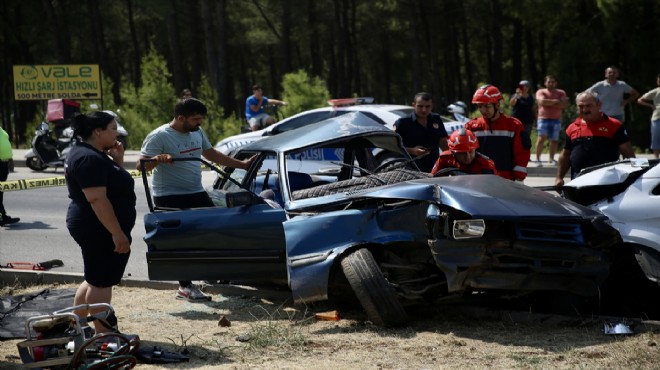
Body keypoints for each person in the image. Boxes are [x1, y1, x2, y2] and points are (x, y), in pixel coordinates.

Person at [137, 98, 254, 302]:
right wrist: (156, 160)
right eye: (195, 119)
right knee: (182, 241)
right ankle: (185, 287)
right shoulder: (159, 136)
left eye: (201, 118)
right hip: (169, 196)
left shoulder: (196, 131)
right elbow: (141, 167)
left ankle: (218, 276)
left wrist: (242, 165)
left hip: (195, 191)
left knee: (215, 229)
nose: (199, 123)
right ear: (181, 118)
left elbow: (210, 154)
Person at [65, 111, 135, 334]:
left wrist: (118, 161)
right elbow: (97, 199)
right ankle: (103, 334)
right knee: (101, 282)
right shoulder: (88, 158)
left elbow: (114, 185)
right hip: (97, 226)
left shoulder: (95, 154)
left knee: (94, 277)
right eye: (113, 128)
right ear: (98, 132)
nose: (118, 132)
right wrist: (116, 232)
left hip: (97, 225)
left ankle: (75, 326)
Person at [555, 91, 636, 186]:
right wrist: (559, 177)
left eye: (589, 106)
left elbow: (628, 153)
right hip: (578, 179)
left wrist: (633, 177)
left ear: (599, 105)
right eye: (581, 106)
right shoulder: (572, 127)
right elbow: (565, 155)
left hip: (607, 180)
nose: (585, 109)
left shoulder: (614, 125)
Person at [465, 84, 531, 182]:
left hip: (506, 181)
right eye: (480, 106)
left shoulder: (514, 126)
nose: (483, 110)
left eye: (487, 106)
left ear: (497, 105)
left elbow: (522, 154)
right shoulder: (471, 127)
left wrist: (518, 179)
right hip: (479, 181)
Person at [394, 92, 449, 172]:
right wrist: (412, 151)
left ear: (432, 106)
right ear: (413, 105)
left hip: (435, 168)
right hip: (412, 170)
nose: (424, 110)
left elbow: (443, 144)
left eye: (427, 106)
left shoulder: (436, 119)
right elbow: (393, 147)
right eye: (420, 106)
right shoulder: (403, 122)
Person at [431, 128, 497, 176]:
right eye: (462, 153)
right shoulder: (444, 158)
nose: (468, 157)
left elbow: (492, 188)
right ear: (453, 153)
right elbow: (434, 180)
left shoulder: (486, 165)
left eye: (471, 152)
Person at [534, 75, 568, 164]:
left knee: (554, 140)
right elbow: (542, 102)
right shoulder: (540, 91)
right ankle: (537, 159)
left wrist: (548, 102)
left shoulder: (561, 92)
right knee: (541, 138)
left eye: (553, 82)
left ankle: (551, 159)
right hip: (543, 119)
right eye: (549, 82)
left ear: (556, 83)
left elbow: (564, 105)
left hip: (556, 119)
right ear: (545, 83)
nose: (551, 83)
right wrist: (556, 102)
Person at [637, 74, 660, 158]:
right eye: (658, 80)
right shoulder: (655, 91)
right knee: (656, 140)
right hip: (657, 118)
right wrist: (650, 105)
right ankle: (656, 158)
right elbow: (640, 100)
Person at [0, 126, 20, 226]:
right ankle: (2, 217)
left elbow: (5, 145)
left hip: (4, 164)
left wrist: (10, 160)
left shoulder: (1, 130)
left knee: (0, 192)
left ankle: (2, 216)